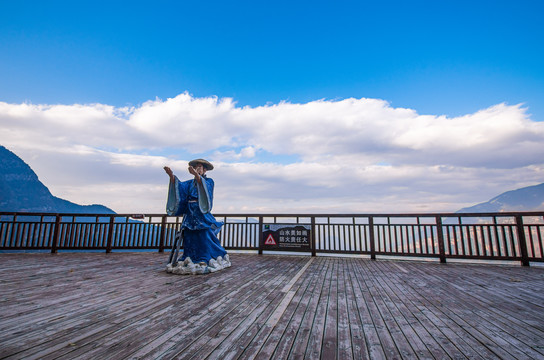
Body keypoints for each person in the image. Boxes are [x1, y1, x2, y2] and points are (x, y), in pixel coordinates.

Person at [163, 159, 231, 275]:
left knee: (204, 234)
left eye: (200, 167)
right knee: (189, 235)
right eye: (196, 167)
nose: (198, 169)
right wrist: (172, 177)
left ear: (205, 170)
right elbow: (180, 188)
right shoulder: (189, 183)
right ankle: (190, 257)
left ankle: (207, 257)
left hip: (201, 213)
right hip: (190, 213)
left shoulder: (209, 181)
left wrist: (197, 176)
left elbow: (206, 190)